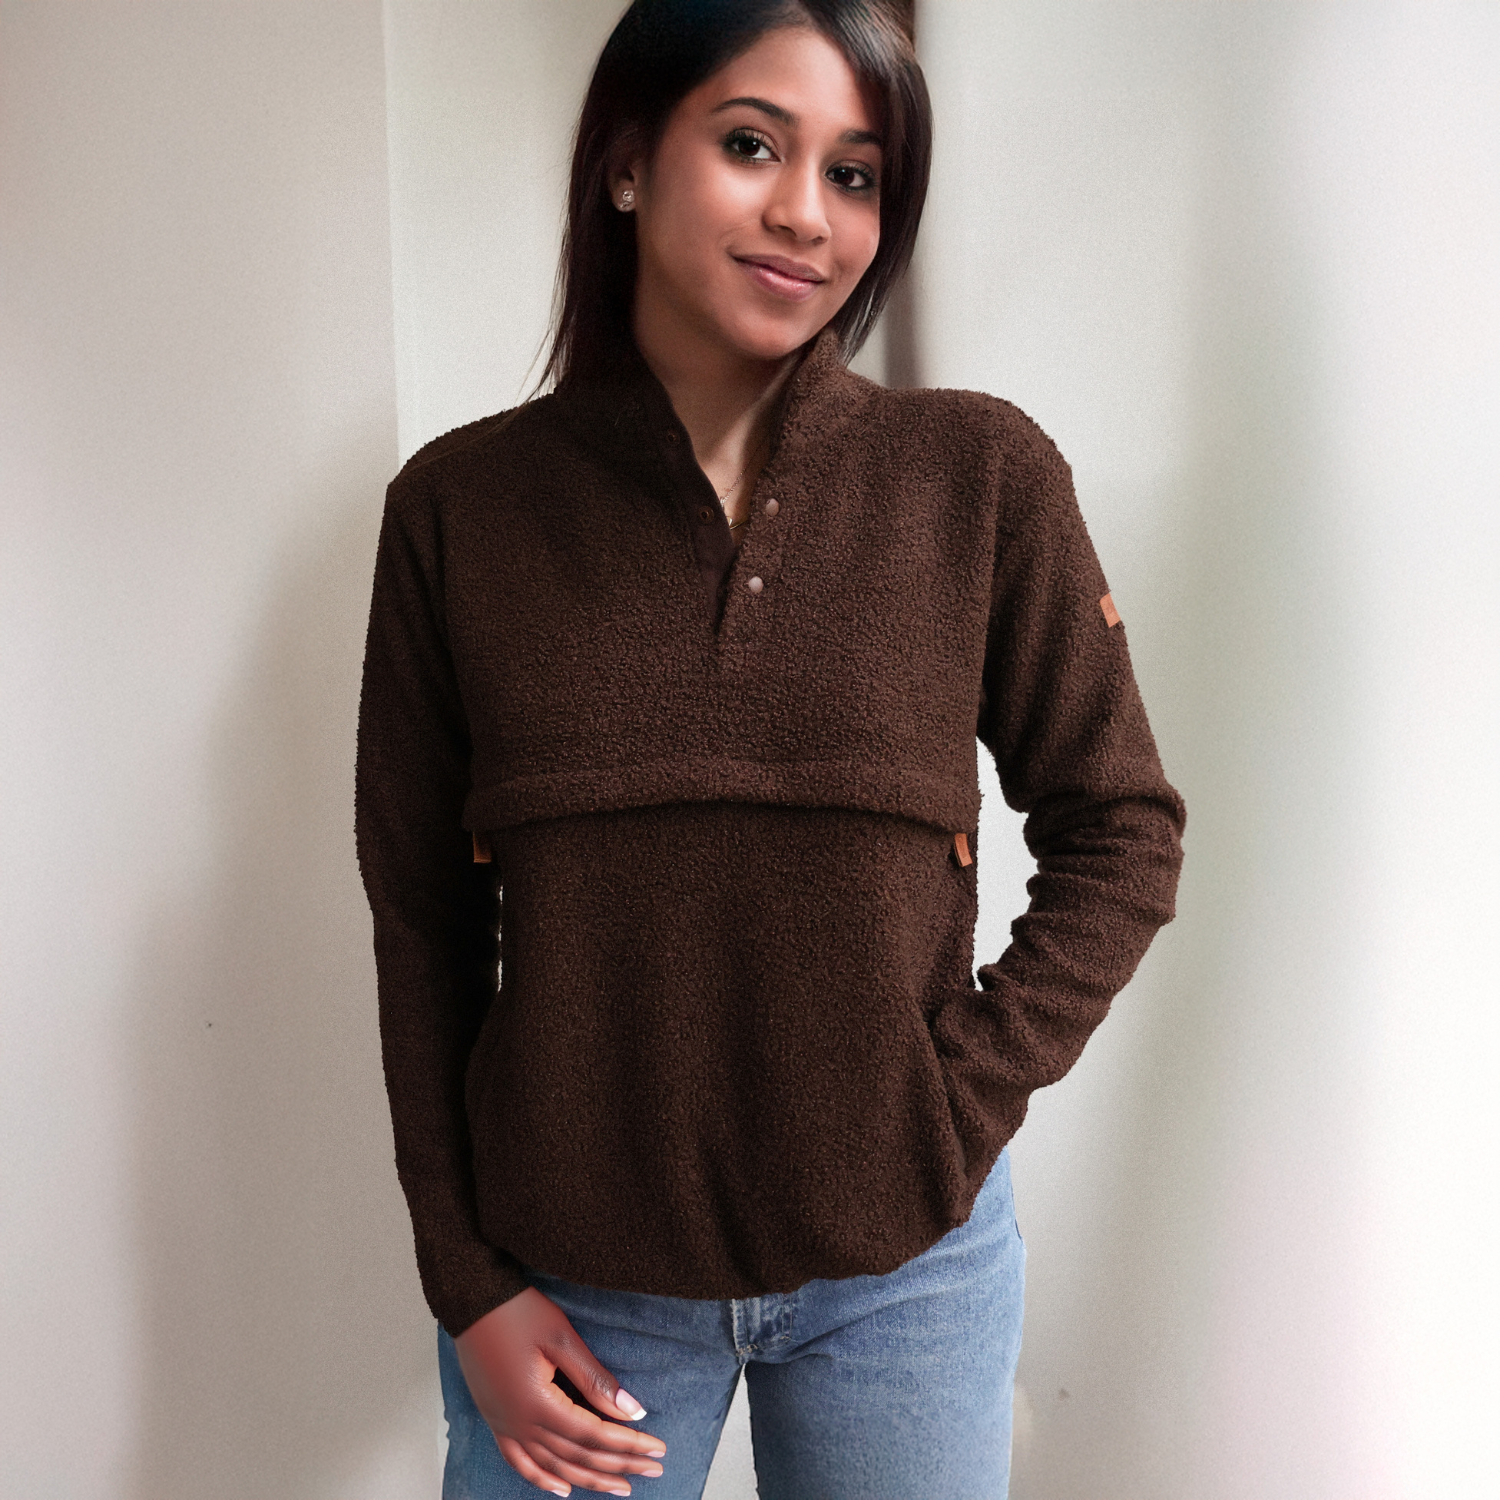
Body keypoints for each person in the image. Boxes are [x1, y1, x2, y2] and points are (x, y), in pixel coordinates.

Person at [355, 1, 1186, 1495]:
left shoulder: (977, 477)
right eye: (752, 146)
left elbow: (1122, 826)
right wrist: (466, 1281)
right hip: (573, 1283)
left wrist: (951, 1105)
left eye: (856, 175)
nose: (807, 214)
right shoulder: (459, 512)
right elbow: (423, 920)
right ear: (627, 159)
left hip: (908, 1279)